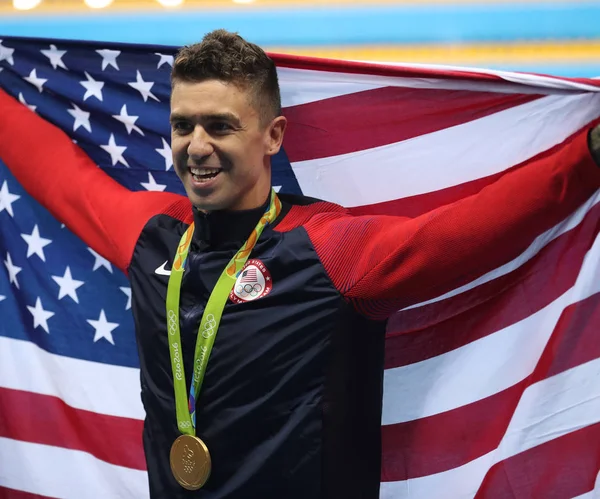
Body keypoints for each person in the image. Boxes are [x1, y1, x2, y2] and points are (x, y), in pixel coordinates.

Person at [1, 29, 600, 499]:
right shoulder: (154, 236)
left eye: (221, 126)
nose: (196, 146)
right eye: (182, 126)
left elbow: (467, 233)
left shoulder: (330, 253)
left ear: (273, 135)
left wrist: (588, 156)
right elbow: (61, 176)